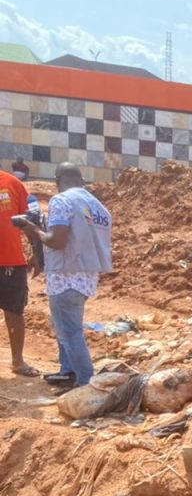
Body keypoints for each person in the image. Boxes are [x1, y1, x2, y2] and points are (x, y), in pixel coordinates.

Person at [18, 163, 113, 388]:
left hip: (65, 276)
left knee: (70, 332)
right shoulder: (99, 207)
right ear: (81, 180)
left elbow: (58, 241)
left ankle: (85, 384)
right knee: (65, 326)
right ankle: (68, 371)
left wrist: (34, 232)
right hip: (87, 276)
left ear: (57, 180)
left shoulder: (61, 201)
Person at [0, 168, 39, 377]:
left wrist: (36, 251)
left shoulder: (12, 183)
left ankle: (18, 361)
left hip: (11, 261)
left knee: (15, 311)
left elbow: (29, 221)